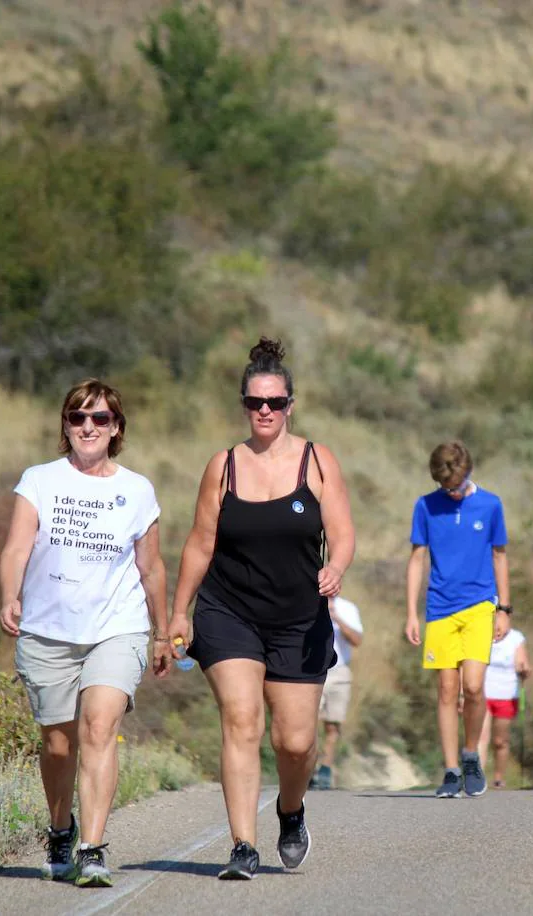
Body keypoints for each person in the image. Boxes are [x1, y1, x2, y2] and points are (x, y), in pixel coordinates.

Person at [169, 338, 355, 880]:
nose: (265, 411)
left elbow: (342, 534)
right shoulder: (223, 467)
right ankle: (242, 846)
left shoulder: (317, 462)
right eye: (255, 403)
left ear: (291, 404)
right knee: (241, 720)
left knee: (294, 743)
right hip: (229, 613)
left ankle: (290, 810)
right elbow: (200, 544)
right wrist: (179, 615)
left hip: (299, 620)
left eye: (275, 402)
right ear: (244, 406)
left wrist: (336, 567)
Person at [0, 379, 169, 888]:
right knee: (57, 744)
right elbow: (15, 550)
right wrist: (10, 594)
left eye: (100, 419)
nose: (88, 427)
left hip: (117, 629)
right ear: (65, 425)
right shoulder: (39, 480)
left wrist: (161, 633)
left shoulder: (136, 490)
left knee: (98, 726)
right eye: (78, 417)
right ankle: (60, 829)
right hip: (49, 631)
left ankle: (93, 849)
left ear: (116, 428)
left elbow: (152, 567)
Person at [405, 441, 511, 798]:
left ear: (469, 472)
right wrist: (411, 613)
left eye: (457, 485)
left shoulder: (490, 504)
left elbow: (499, 557)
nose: (452, 493)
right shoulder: (425, 506)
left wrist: (504, 609)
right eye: (445, 487)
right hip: (439, 609)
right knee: (447, 690)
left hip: (480, 605)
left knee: (475, 686)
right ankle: (451, 770)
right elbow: (417, 558)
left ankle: (470, 755)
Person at [312, 595, 364, 791]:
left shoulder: (348, 607)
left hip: (340, 670)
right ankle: (309, 767)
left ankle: (326, 768)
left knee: (333, 725)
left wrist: (337, 618)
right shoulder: (310, 601)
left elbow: (357, 640)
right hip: (312, 668)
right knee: (309, 722)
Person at [477, 623, 531, 788]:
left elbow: (524, 663)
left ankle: (499, 777)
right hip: (484, 694)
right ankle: (478, 778)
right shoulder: (482, 633)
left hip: (506, 695)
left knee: (500, 740)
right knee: (481, 737)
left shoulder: (516, 638)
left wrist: (524, 670)